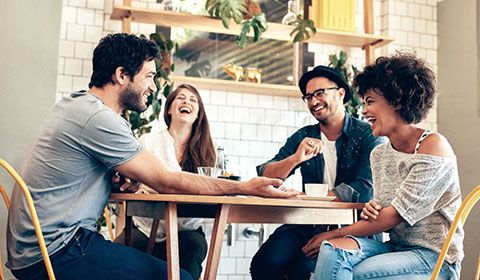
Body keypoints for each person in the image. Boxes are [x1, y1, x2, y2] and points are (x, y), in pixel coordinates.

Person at [6, 33, 298, 280]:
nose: (154, 87)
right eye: (148, 76)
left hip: (39, 247)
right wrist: (243, 187)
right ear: (122, 75)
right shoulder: (97, 118)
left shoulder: (79, 106)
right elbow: (166, 181)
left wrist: (118, 178)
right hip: (57, 251)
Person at [309, 53, 463, 279]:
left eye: (370, 102)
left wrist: (333, 233)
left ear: (397, 100)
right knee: (334, 252)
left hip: (434, 258)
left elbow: (392, 217)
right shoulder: (380, 153)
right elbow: (384, 216)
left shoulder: (433, 146)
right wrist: (374, 209)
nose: (364, 111)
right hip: (395, 247)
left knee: (355, 271)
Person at [250, 66, 384, 280]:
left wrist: (312, 198)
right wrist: (295, 159)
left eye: (320, 93)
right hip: (308, 222)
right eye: (309, 96)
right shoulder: (305, 135)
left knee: (303, 270)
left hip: (354, 227)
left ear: (341, 93)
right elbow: (266, 173)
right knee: (264, 263)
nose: (314, 102)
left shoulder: (368, 134)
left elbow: (365, 189)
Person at [115, 84, 214, 280]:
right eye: (181, 98)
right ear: (169, 108)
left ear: (198, 114)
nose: (187, 102)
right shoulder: (148, 142)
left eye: (193, 100)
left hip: (187, 229)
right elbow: (136, 186)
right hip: (144, 226)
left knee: (193, 249)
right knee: (119, 253)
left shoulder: (208, 151)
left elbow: (210, 189)